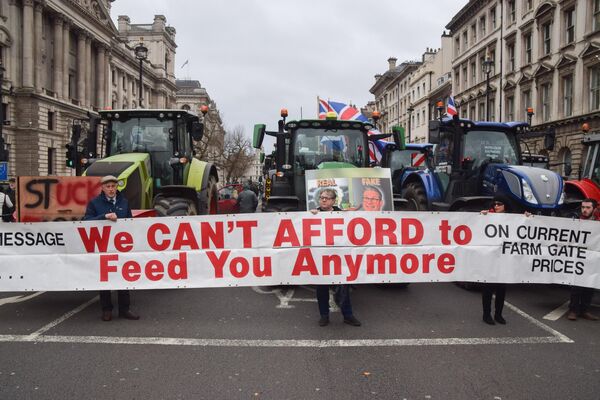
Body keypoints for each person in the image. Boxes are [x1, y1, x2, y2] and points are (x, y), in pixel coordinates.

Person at [83, 175, 139, 322]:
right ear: (102, 188)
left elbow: (129, 221)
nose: (111, 189)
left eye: (113, 186)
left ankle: (124, 309)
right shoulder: (94, 203)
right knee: (105, 279)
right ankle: (106, 309)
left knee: (124, 276)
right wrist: (104, 217)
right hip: (103, 246)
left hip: (122, 246)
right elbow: (86, 221)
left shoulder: (124, 202)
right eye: (108, 186)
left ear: (116, 187)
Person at [310, 188, 361, 327]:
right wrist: (312, 215)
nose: (323, 200)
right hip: (322, 257)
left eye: (327, 198)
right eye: (321, 197)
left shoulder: (341, 213)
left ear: (333, 200)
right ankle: (324, 316)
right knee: (321, 287)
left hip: (339, 257)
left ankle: (348, 315)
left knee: (343, 287)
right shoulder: (314, 214)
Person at [567, 198, 598, 321]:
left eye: (588, 208)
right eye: (583, 207)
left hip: (592, 259)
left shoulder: (598, 223)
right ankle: (573, 310)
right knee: (577, 286)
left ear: (594, 209)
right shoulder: (575, 221)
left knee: (590, 285)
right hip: (578, 258)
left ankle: (584, 310)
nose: (584, 210)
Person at [479, 196, 508, 325]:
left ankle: (498, 314)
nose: (496, 206)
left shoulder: (512, 219)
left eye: (499, 204)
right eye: (495, 204)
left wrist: (527, 217)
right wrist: (480, 216)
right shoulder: (487, 216)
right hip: (489, 258)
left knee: (502, 288)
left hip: (503, 259)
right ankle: (486, 314)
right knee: (488, 288)